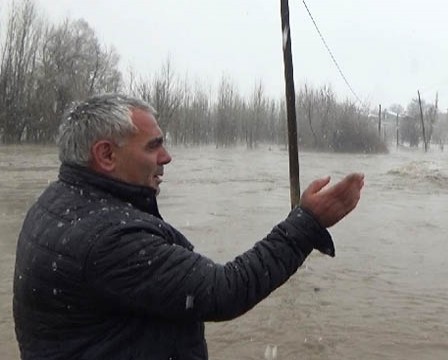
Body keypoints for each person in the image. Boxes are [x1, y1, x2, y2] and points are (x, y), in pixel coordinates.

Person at [12, 94, 364, 359]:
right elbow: (224, 290)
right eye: (154, 146)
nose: (167, 157)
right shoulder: (109, 239)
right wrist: (306, 224)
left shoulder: (57, 200)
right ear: (106, 155)